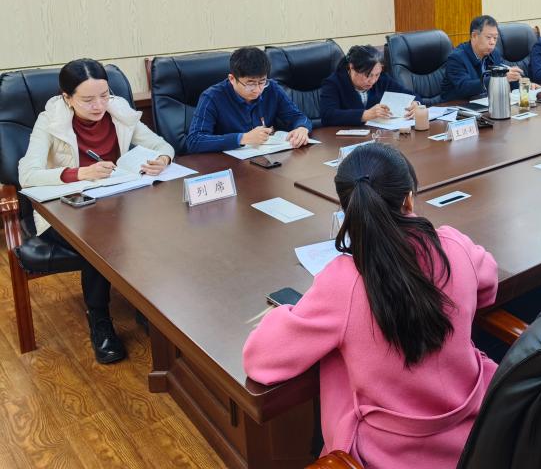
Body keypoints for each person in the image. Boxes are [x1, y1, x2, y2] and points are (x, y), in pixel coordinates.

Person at [243, 143, 498, 468]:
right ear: (408, 198)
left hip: (388, 456)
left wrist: (283, 314)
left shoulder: (344, 281)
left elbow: (261, 360)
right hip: (480, 434)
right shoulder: (453, 244)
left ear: (349, 208)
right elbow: (488, 285)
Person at [18, 58, 175, 363]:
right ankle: (100, 319)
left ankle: (148, 306)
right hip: (66, 208)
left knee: (156, 223)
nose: (99, 105)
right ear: (67, 98)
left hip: (116, 203)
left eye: (104, 95)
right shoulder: (49, 121)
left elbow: (161, 145)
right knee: (101, 239)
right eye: (88, 99)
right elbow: (28, 174)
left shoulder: (118, 111)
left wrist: (163, 160)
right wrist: (80, 173)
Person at [185, 46, 312, 153]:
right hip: (228, 164)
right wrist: (242, 138)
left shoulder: (271, 88)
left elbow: (298, 117)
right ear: (232, 79)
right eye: (250, 84)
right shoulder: (212, 97)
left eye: (262, 82)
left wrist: (302, 128)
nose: (257, 90)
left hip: (266, 159)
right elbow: (194, 141)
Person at [320, 45, 419, 126]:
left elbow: (411, 95)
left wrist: (416, 104)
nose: (373, 80)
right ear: (352, 67)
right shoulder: (334, 83)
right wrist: (365, 114)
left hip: (376, 135)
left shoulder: (382, 79)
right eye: (368, 75)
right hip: (343, 139)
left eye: (377, 74)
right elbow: (327, 116)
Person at [440, 15, 523, 101]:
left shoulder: (494, 53)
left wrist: (520, 82)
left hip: (485, 104)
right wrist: (499, 79)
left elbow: (505, 76)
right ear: (474, 36)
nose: (492, 42)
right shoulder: (456, 58)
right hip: (458, 105)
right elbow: (465, 87)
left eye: (495, 38)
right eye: (488, 37)